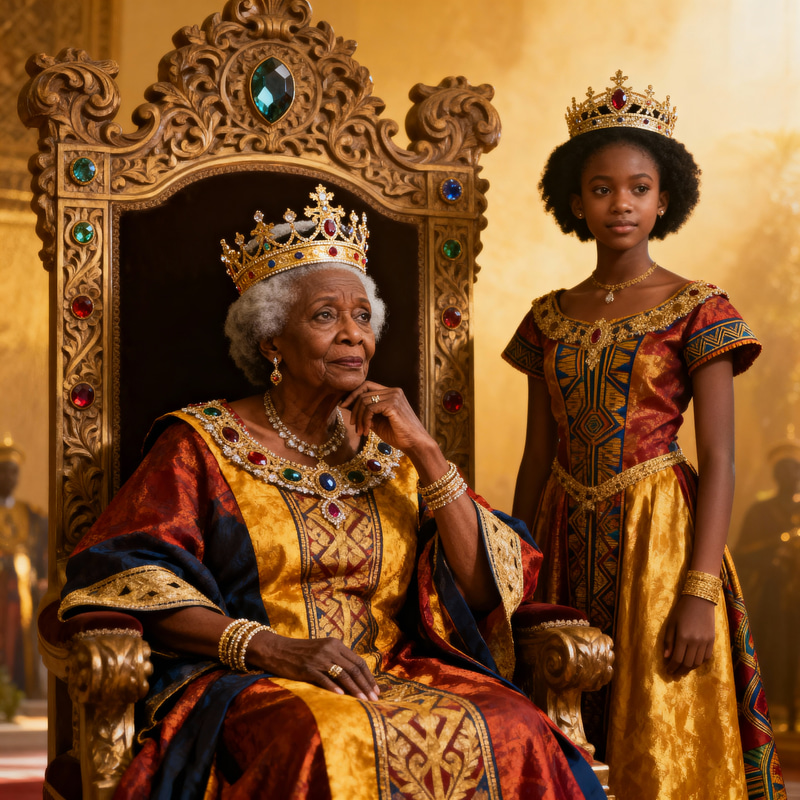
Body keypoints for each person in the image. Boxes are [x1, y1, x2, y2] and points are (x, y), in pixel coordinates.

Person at [58, 185, 606, 800]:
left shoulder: (394, 451)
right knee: (327, 735)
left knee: (516, 726)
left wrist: (427, 454)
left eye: (363, 318)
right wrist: (268, 647)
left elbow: (483, 590)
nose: (353, 336)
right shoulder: (202, 444)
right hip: (256, 677)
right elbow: (128, 578)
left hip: (396, 672)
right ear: (272, 341)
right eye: (325, 316)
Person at [502, 71, 785, 799]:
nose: (619, 203)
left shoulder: (699, 307)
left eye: (637, 188)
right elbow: (537, 456)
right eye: (601, 188)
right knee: (562, 712)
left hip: (661, 540)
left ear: (665, 200)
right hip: (564, 536)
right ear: (573, 200)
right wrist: (517, 575)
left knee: (657, 730)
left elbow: (719, 460)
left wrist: (698, 591)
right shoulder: (547, 317)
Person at [735, 440, 800, 731]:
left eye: (795, 470)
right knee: (774, 651)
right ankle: (771, 713)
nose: (790, 476)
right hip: (772, 598)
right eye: (784, 470)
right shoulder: (761, 511)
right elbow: (742, 552)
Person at [0, 435, 46, 699]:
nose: (8, 477)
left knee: (21, 642)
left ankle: (23, 689)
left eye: (13, 471)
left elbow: (39, 556)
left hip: (23, 593)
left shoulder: (31, 514)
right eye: (3, 471)